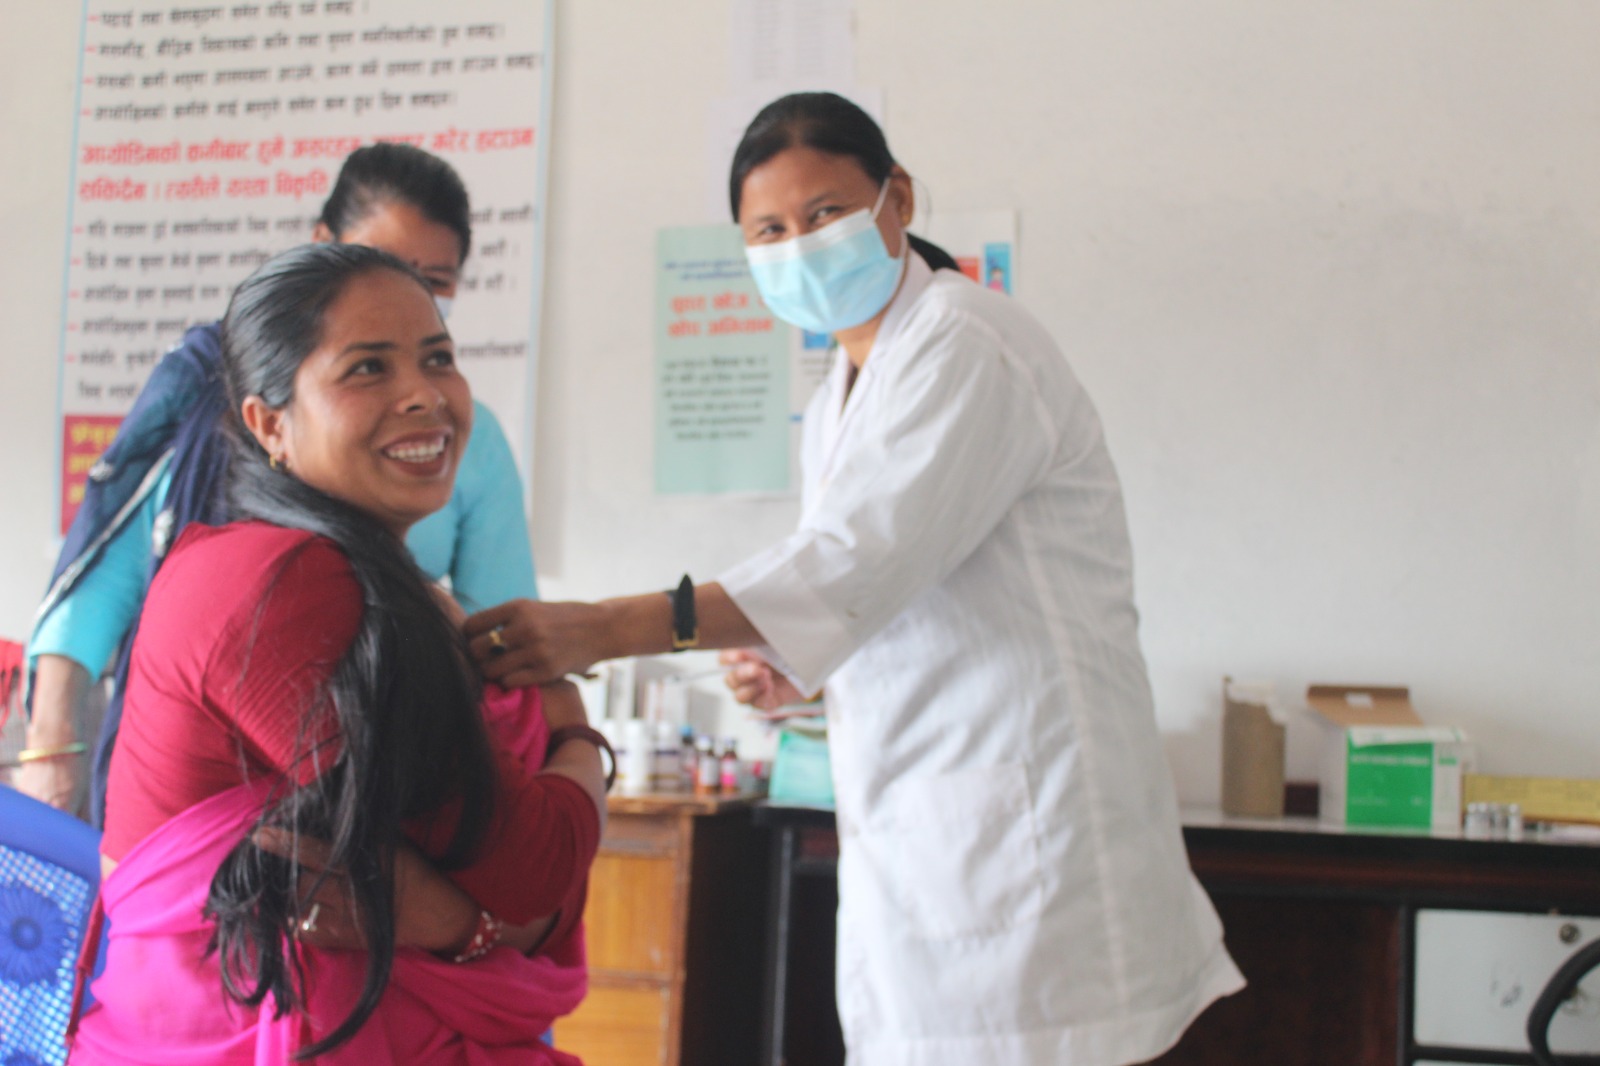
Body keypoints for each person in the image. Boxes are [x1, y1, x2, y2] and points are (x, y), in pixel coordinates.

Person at [465, 92, 1243, 1065]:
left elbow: (846, 562)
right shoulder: (843, 395)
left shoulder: (966, 341)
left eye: (825, 212)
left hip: (1034, 836)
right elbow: (891, 590)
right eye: (769, 231)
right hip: (936, 837)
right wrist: (801, 671)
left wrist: (603, 627)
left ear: (896, 198)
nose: (800, 247)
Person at [69, 242, 607, 1063]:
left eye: (438, 358)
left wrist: (463, 921)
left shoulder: (368, 582)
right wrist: (575, 729)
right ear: (270, 424)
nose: (425, 395)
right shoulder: (285, 584)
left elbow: (512, 884)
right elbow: (532, 868)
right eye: (367, 369)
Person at [19, 143, 537, 821]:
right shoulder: (209, 405)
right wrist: (51, 747)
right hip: (203, 800)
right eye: (378, 260)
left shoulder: (461, 434)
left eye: (431, 281)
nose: (399, 292)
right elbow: (106, 582)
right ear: (267, 427)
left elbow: (499, 632)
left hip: (378, 767)